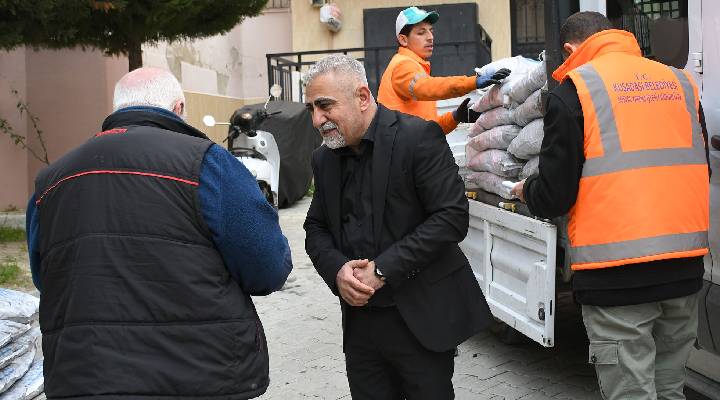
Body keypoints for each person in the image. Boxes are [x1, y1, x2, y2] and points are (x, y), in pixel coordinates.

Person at [26, 67, 292, 399]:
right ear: (179, 107)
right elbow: (268, 268)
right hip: (201, 376)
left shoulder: (51, 180)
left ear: (117, 109)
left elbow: (47, 277)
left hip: (83, 378)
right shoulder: (207, 163)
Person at [510, 12, 710, 400]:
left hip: (616, 279)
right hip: (683, 271)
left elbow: (554, 195)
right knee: (669, 389)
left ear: (570, 49)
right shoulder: (680, 82)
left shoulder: (575, 91)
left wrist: (526, 190)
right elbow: (697, 168)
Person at [303, 54, 491, 400]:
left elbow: (451, 217)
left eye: (325, 106)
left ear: (362, 97)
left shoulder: (418, 138)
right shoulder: (323, 158)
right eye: (311, 109)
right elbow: (315, 227)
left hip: (421, 319)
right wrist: (337, 270)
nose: (317, 119)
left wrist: (383, 269)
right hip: (361, 326)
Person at [377, 6, 510, 135]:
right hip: (405, 150)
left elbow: (429, 131)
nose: (430, 37)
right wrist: (471, 82)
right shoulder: (402, 65)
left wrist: (455, 117)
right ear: (403, 40)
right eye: (421, 32)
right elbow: (427, 86)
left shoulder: (415, 68)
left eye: (431, 31)